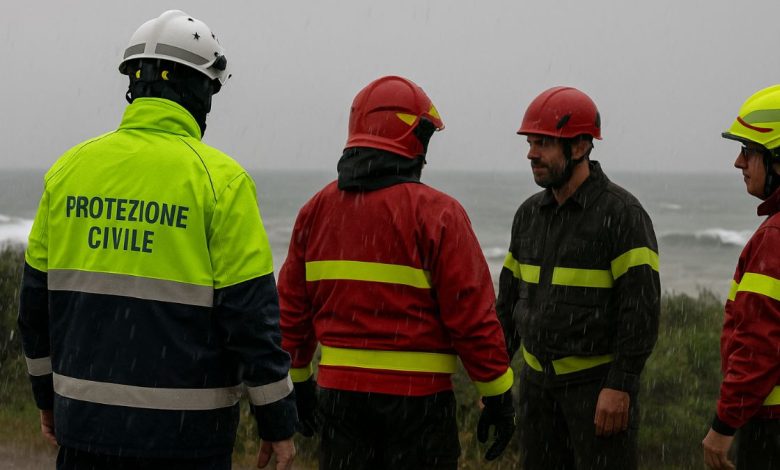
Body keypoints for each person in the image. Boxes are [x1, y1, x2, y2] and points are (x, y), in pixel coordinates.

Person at [17, 10, 296, 470]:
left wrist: (47, 399)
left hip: (84, 434)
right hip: (188, 443)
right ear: (201, 91)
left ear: (134, 85)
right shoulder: (221, 182)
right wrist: (277, 421)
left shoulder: (67, 172)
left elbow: (33, 311)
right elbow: (251, 319)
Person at [278, 75, 516, 469]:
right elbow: (471, 315)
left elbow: (292, 310)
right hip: (419, 408)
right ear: (412, 141)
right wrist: (498, 393)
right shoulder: (439, 214)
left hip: (339, 402)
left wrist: (298, 381)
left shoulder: (315, 210)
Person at [496, 86, 660, 470]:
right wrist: (495, 377)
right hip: (536, 393)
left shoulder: (623, 215)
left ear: (581, 146)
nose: (531, 153)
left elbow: (641, 309)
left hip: (597, 393)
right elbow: (507, 305)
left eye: (544, 143)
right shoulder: (528, 216)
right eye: (531, 142)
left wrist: (621, 384)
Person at [701, 85, 780, 470]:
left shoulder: (774, 239)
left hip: (771, 428)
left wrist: (723, 425)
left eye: (748, 151)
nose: (738, 162)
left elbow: (757, 347)